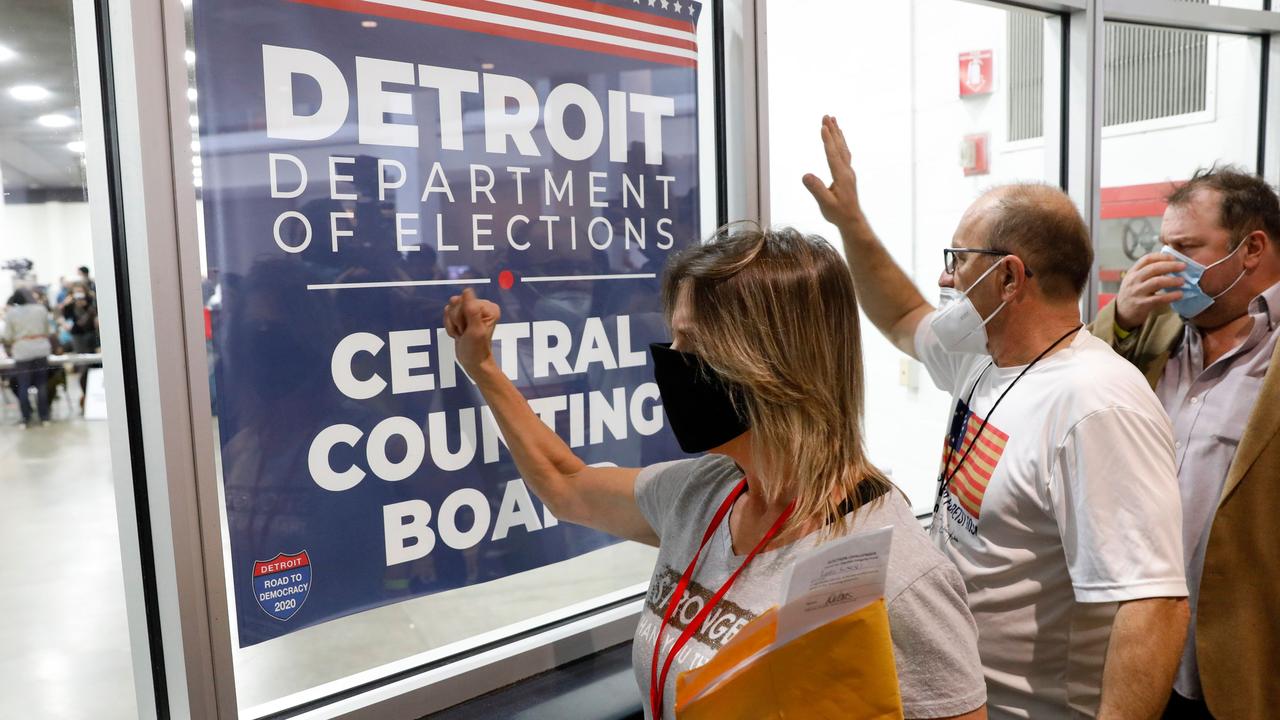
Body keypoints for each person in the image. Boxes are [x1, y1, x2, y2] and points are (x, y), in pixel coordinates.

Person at [444, 227, 989, 720]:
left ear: (766, 363)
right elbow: (567, 485)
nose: (671, 362)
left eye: (691, 344)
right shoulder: (707, 493)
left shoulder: (898, 576)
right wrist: (483, 369)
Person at [803, 115, 1189, 718]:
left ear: (1009, 276)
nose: (944, 277)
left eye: (957, 259)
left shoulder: (1098, 403)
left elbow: (1153, 606)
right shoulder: (983, 355)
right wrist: (850, 223)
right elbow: (903, 315)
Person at [1089, 167, 1280, 720]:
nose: (1166, 262)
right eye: (1162, 245)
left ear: (1252, 248)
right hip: (1138, 644)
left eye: (1186, 247)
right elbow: (1078, 388)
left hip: (1240, 656)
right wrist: (1122, 316)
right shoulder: (1154, 328)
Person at [2, 290, 53, 427]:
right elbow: (48, 330)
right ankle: (44, 417)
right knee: (41, 384)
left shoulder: (11, 313)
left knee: (23, 385)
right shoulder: (41, 309)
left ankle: (26, 418)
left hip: (22, 351)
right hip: (41, 349)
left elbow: (7, 336)